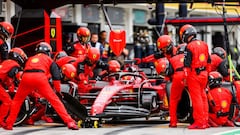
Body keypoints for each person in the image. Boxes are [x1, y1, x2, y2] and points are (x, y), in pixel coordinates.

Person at [3, 42, 78, 130]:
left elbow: (22, 69)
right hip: (39, 77)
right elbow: (56, 75)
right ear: (48, 52)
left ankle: (9, 124)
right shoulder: (49, 59)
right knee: (55, 101)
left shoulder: (30, 58)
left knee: (17, 101)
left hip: (26, 77)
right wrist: (58, 90)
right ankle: (69, 122)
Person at [181, 24, 211, 129]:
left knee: (196, 99)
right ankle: (205, 120)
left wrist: (185, 79)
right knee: (203, 97)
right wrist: (207, 74)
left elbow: (187, 65)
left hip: (194, 75)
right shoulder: (204, 44)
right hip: (204, 74)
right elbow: (209, 62)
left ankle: (199, 122)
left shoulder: (189, 47)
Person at [154, 45, 186, 127]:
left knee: (173, 100)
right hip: (190, 77)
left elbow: (170, 72)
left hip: (178, 77)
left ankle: (173, 122)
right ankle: (202, 120)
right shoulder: (190, 57)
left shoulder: (173, 59)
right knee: (198, 97)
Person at [0, 48, 27, 126]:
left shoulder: (6, 62)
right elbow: (10, 76)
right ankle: (1, 121)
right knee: (7, 102)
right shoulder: (15, 65)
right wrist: (11, 88)